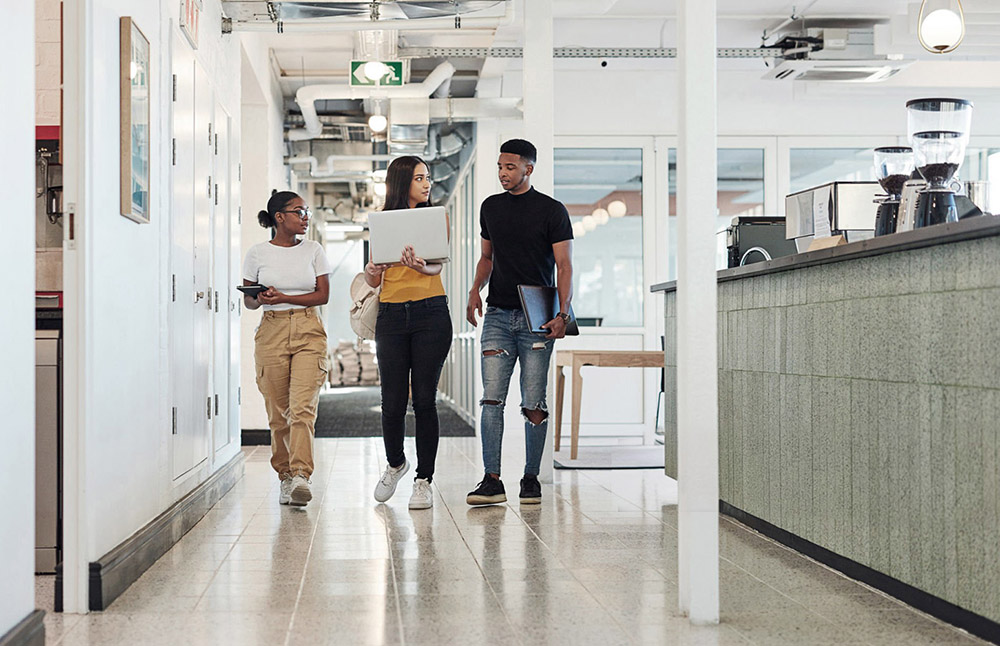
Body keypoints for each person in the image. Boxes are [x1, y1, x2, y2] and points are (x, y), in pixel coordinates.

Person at [464, 139, 574, 506]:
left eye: (510, 167)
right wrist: (474, 289)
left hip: (538, 319)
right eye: (499, 167)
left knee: (533, 402)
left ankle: (531, 477)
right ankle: (492, 479)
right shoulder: (490, 208)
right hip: (497, 314)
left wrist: (563, 314)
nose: (503, 173)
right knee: (492, 400)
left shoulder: (552, 210)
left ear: (528, 168)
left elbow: (565, 266)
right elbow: (486, 257)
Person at [365, 156, 453, 510]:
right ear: (402, 182)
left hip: (431, 312)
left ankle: (424, 480)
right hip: (390, 314)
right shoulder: (383, 220)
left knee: (425, 400)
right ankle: (396, 463)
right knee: (392, 402)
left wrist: (421, 265)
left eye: (428, 177)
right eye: (419, 178)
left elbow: (437, 264)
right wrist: (373, 269)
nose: (427, 183)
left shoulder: (436, 217)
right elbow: (374, 276)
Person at [243, 191, 331, 507]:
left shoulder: (314, 250)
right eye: (299, 211)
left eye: (306, 211)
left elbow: (322, 295)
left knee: (303, 408)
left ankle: (301, 476)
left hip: (308, 329)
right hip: (272, 330)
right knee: (279, 414)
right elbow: (249, 301)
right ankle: (285, 478)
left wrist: (285, 298)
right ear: (280, 217)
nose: (305, 217)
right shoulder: (257, 253)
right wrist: (260, 298)